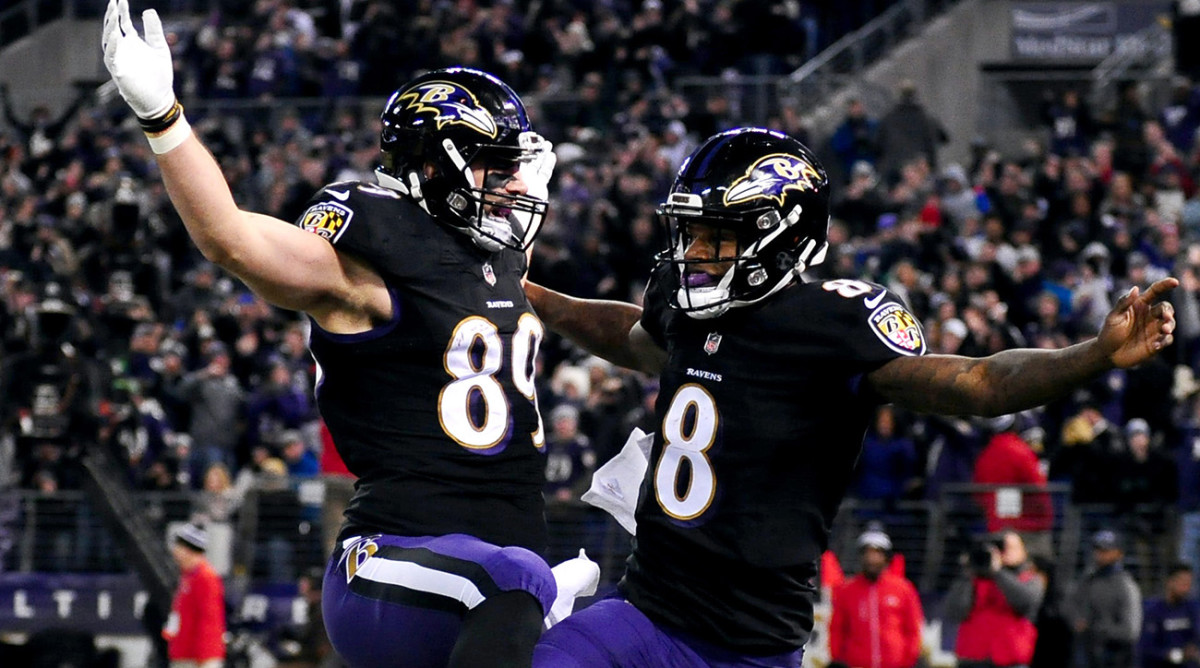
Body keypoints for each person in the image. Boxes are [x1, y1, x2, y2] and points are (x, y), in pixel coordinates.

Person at [526, 126, 1177, 667]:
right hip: (647, 607)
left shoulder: (832, 321)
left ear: (777, 233)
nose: (693, 252)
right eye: (691, 232)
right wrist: (531, 296)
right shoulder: (689, 303)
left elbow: (978, 383)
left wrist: (1090, 356)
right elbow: (635, 337)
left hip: (747, 640)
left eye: (715, 235)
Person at [101, 3, 563, 666]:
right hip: (396, 559)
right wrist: (163, 118)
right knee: (515, 581)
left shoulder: (493, 258)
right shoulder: (372, 261)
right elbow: (229, 238)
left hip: (499, 572)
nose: (517, 184)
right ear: (434, 168)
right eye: (498, 165)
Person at [827, 525, 924, 668]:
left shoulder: (903, 589)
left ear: (886, 557)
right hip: (857, 664)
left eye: (877, 553)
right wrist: (838, 658)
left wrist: (909, 659)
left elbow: (913, 628)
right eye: (868, 553)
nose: (872, 559)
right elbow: (837, 628)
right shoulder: (847, 590)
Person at [944, 530, 1044, 668]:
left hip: (1010, 661)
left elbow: (1025, 602)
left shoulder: (1031, 579)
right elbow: (954, 611)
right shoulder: (973, 579)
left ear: (1024, 552)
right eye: (1002, 547)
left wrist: (997, 572)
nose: (1006, 552)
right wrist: (968, 572)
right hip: (972, 660)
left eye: (1012, 547)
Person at [1073, 529, 1143, 668]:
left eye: (1105, 550)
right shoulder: (1088, 580)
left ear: (1119, 553)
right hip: (1089, 655)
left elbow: (1130, 631)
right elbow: (1075, 609)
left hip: (1116, 657)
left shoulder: (1126, 586)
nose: (1099, 554)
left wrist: (1094, 628)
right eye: (1098, 549)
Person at [164, 523, 226, 668]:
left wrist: (203, 657)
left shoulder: (206, 578)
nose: (175, 551)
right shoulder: (188, 576)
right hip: (184, 652)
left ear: (188, 550)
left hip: (197, 658)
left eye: (178, 546)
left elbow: (209, 619)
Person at [1139, 562, 1200, 668]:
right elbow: (1147, 648)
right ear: (1170, 582)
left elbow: (1196, 636)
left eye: (1189, 583)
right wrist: (1175, 655)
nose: (1186, 587)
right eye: (1182, 582)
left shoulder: (1192, 608)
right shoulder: (1153, 610)